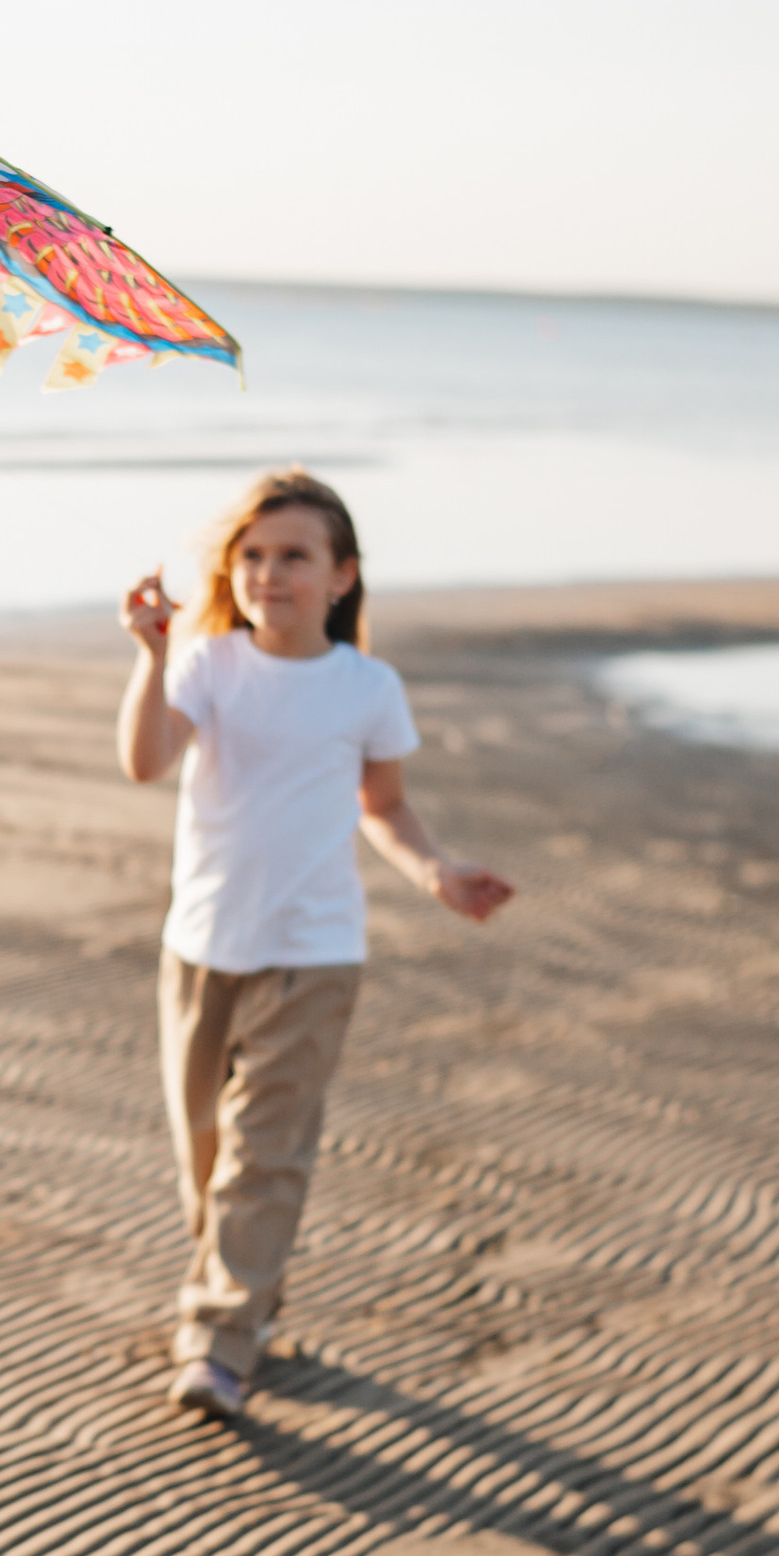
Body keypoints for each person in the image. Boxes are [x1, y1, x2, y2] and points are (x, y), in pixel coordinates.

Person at [116, 468, 515, 1421]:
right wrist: (150, 653)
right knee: (204, 1152)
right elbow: (143, 763)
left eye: (294, 556)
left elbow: (384, 806)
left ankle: (216, 1340)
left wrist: (436, 872)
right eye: (252, 556)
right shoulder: (207, 665)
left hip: (314, 955)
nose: (269, 573)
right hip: (202, 946)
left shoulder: (366, 687)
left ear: (342, 576)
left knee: (265, 1156)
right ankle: (245, 1286)